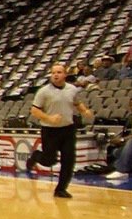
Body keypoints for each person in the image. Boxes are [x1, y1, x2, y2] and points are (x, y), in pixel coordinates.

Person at [25, 63, 94, 199]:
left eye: (59, 72)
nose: (55, 75)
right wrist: (49, 118)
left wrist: (84, 111)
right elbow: (34, 110)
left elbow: (76, 103)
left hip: (68, 129)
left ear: (65, 75)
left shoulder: (72, 89)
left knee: (69, 160)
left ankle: (61, 189)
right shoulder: (43, 91)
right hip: (50, 130)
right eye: (53, 73)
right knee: (48, 160)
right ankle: (36, 156)